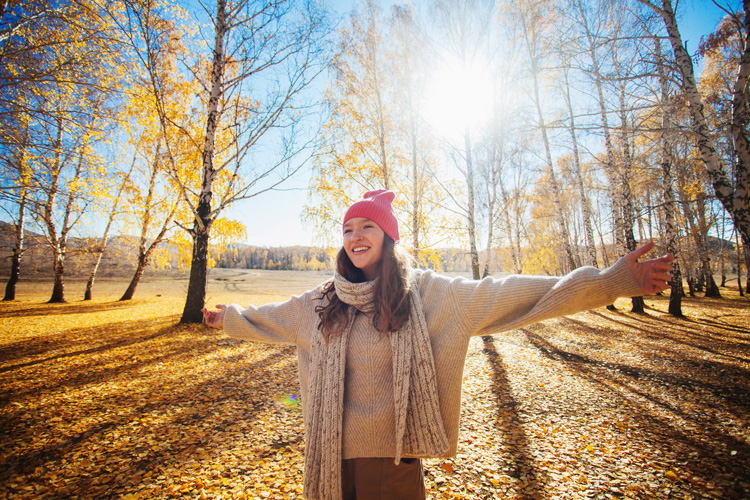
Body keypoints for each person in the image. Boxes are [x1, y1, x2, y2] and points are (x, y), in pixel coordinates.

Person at [202, 189, 674, 500]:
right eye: (347, 230)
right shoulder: (324, 302)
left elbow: (520, 295)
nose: (354, 237)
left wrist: (610, 282)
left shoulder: (429, 295)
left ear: (388, 237)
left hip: (393, 467)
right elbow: (270, 317)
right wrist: (229, 318)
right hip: (329, 465)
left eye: (366, 227)